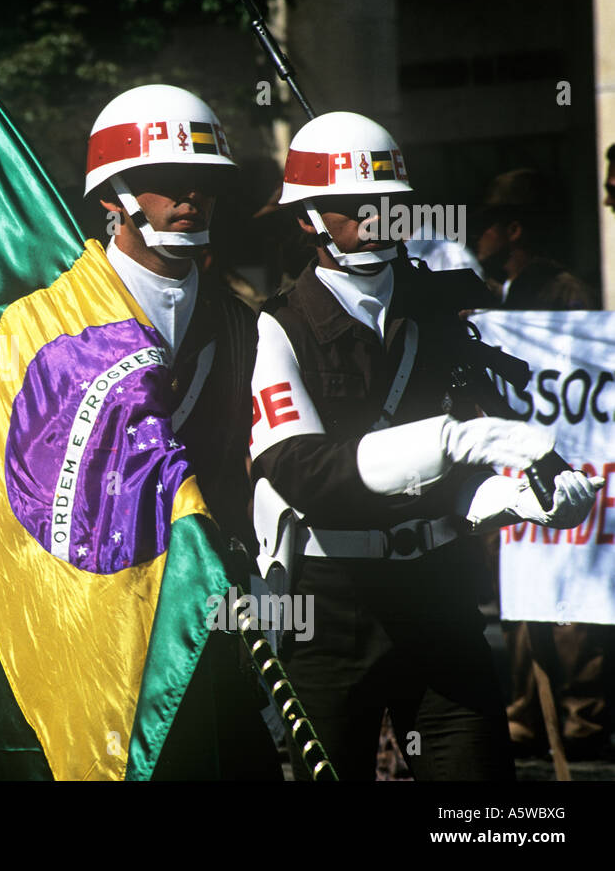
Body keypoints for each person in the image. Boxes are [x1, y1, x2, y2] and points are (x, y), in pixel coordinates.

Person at [249, 112, 600, 780]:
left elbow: (457, 481)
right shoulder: (277, 326)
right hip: (331, 602)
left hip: (437, 589)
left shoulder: (437, 314)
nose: (376, 222)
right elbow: (305, 473)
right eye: (354, 208)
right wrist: (460, 439)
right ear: (308, 220)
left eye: (388, 207)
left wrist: (519, 498)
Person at [84, 84, 281, 779]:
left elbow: (265, 456)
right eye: (169, 182)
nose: (191, 199)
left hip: (216, 612)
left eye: (204, 184)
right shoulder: (57, 321)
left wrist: (271, 567)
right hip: (101, 620)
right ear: (115, 196)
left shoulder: (244, 322)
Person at [474, 165, 611, 760]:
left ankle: (583, 717)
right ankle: (527, 712)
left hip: (573, 469)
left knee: (570, 603)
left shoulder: (564, 292)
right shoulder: (499, 297)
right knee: (521, 592)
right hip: (520, 466)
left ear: (512, 230)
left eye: (486, 227)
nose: (476, 239)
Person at [475, 168, 594, 309]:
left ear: (514, 231)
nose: (477, 234)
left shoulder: (566, 292)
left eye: (485, 224)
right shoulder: (490, 293)